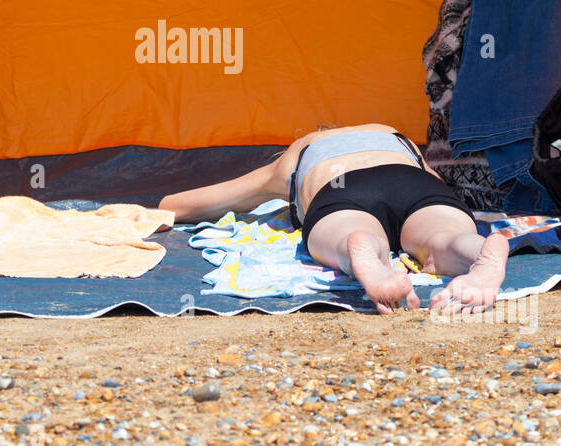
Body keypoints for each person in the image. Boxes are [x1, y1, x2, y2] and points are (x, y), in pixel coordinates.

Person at [159, 124, 509, 314]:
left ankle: (358, 248)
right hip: (409, 178)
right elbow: (435, 181)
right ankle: (475, 250)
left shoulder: (299, 154)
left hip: (340, 187)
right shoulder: (391, 134)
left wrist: (164, 206)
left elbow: (184, 204)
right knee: (441, 238)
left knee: (352, 231)